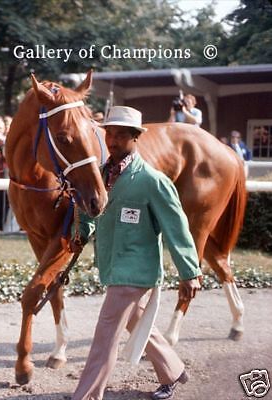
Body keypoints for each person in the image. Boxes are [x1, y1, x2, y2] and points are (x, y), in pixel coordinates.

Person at [70, 106, 202, 400]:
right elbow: (92, 211)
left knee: (106, 334)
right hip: (113, 266)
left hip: (136, 271)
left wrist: (190, 272)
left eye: (120, 135)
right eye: (109, 134)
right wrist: (82, 233)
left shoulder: (152, 181)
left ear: (135, 138)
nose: (112, 141)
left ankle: (87, 395)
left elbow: (176, 228)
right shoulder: (102, 175)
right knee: (137, 322)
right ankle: (173, 370)